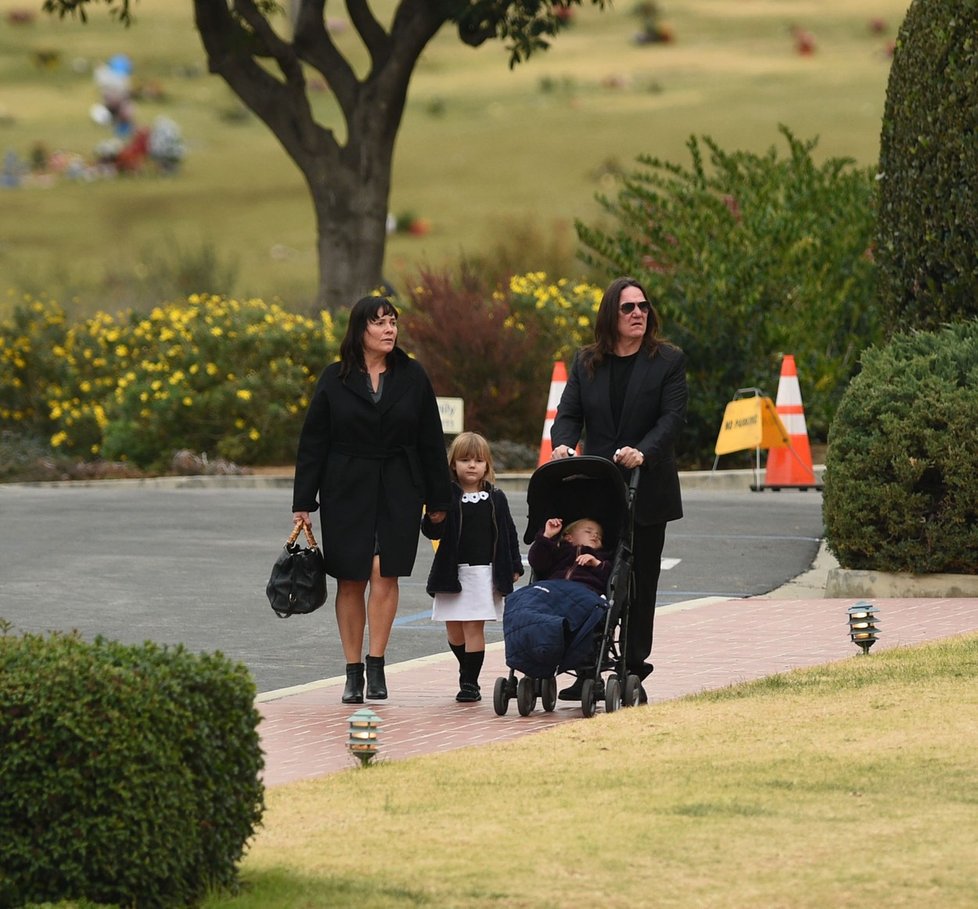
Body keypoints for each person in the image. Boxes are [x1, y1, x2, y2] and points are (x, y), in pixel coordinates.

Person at [292, 295, 452, 704]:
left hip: (400, 483)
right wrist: (303, 502)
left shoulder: (413, 376)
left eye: (393, 322)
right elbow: (313, 442)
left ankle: (377, 662)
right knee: (351, 577)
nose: (389, 329)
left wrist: (438, 499)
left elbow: (431, 441)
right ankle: (352, 671)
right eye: (379, 323)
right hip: (346, 486)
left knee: (386, 572)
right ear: (360, 330)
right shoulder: (334, 378)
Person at [550, 276, 687, 703]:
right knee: (590, 576)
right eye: (628, 308)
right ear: (611, 314)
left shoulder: (667, 360)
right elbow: (568, 413)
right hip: (599, 489)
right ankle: (585, 665)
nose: (638, 314)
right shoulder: (587, 361)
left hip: (647, 489)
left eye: (643, 307)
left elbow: (671, 419)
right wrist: (562, 443)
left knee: (640, 583)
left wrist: (643, 452)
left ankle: (632, 667)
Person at [422, 432, 523, 703]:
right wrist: (433, 518)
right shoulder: (446, 497)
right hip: (451, 572)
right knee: (453, 630)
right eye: (464, 459)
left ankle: (469, 682)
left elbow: (508, 532)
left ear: (487, 466)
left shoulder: (496, 498)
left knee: (472, 628)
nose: (471, 465)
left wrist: (514, 564)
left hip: (482, 573)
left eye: (478, 460)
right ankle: (465, 668)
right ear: (453, 464)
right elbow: (432, 531)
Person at [527, 517, 612, 596]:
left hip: (584, 592)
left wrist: (597, 564)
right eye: (588, 531)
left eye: (599, 536)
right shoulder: (559, 552)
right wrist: (547, 536)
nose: (595, 536)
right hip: (553, 589)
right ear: (569, 538)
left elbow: (610, 579)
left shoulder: (601, 557)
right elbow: (537, 562)